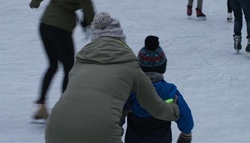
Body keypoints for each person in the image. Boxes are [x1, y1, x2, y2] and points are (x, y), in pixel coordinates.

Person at [44, 12, 180, 143]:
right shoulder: (130, 66)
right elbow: (155, 107)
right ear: (121, 39)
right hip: (101, 131)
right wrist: (174, 109)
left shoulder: (79, 63)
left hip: (55, 127)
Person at [29, 0, 95, 119]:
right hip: (61, 28)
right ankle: (64, 109)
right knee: (69, 69)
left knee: (52, 65)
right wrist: (94, 24)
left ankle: (41, 106)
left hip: (45, 24)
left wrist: (35, 1)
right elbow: (88, 6)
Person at [123, 36, 194, 143]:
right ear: (163, 66)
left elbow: (115, 115)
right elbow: (186, 118)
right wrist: (186, 135)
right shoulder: (170, 92)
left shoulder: (130, 91)